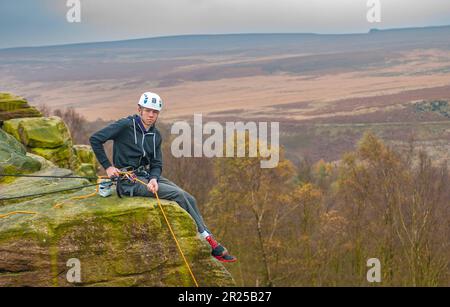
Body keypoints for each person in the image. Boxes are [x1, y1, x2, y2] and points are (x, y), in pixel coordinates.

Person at [89, 92, 236, 262]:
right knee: (178, 196)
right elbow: (95, 139)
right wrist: (108, 167)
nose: (151, 115)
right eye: (147, 111)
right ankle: (209, 241)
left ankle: (204, 234)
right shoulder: (125, 126)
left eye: (155, 112)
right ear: (139, 109)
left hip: (146, 175)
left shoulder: (155, 135)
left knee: (190, 198)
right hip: (127, 181)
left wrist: (153, 179)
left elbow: (157, 163)